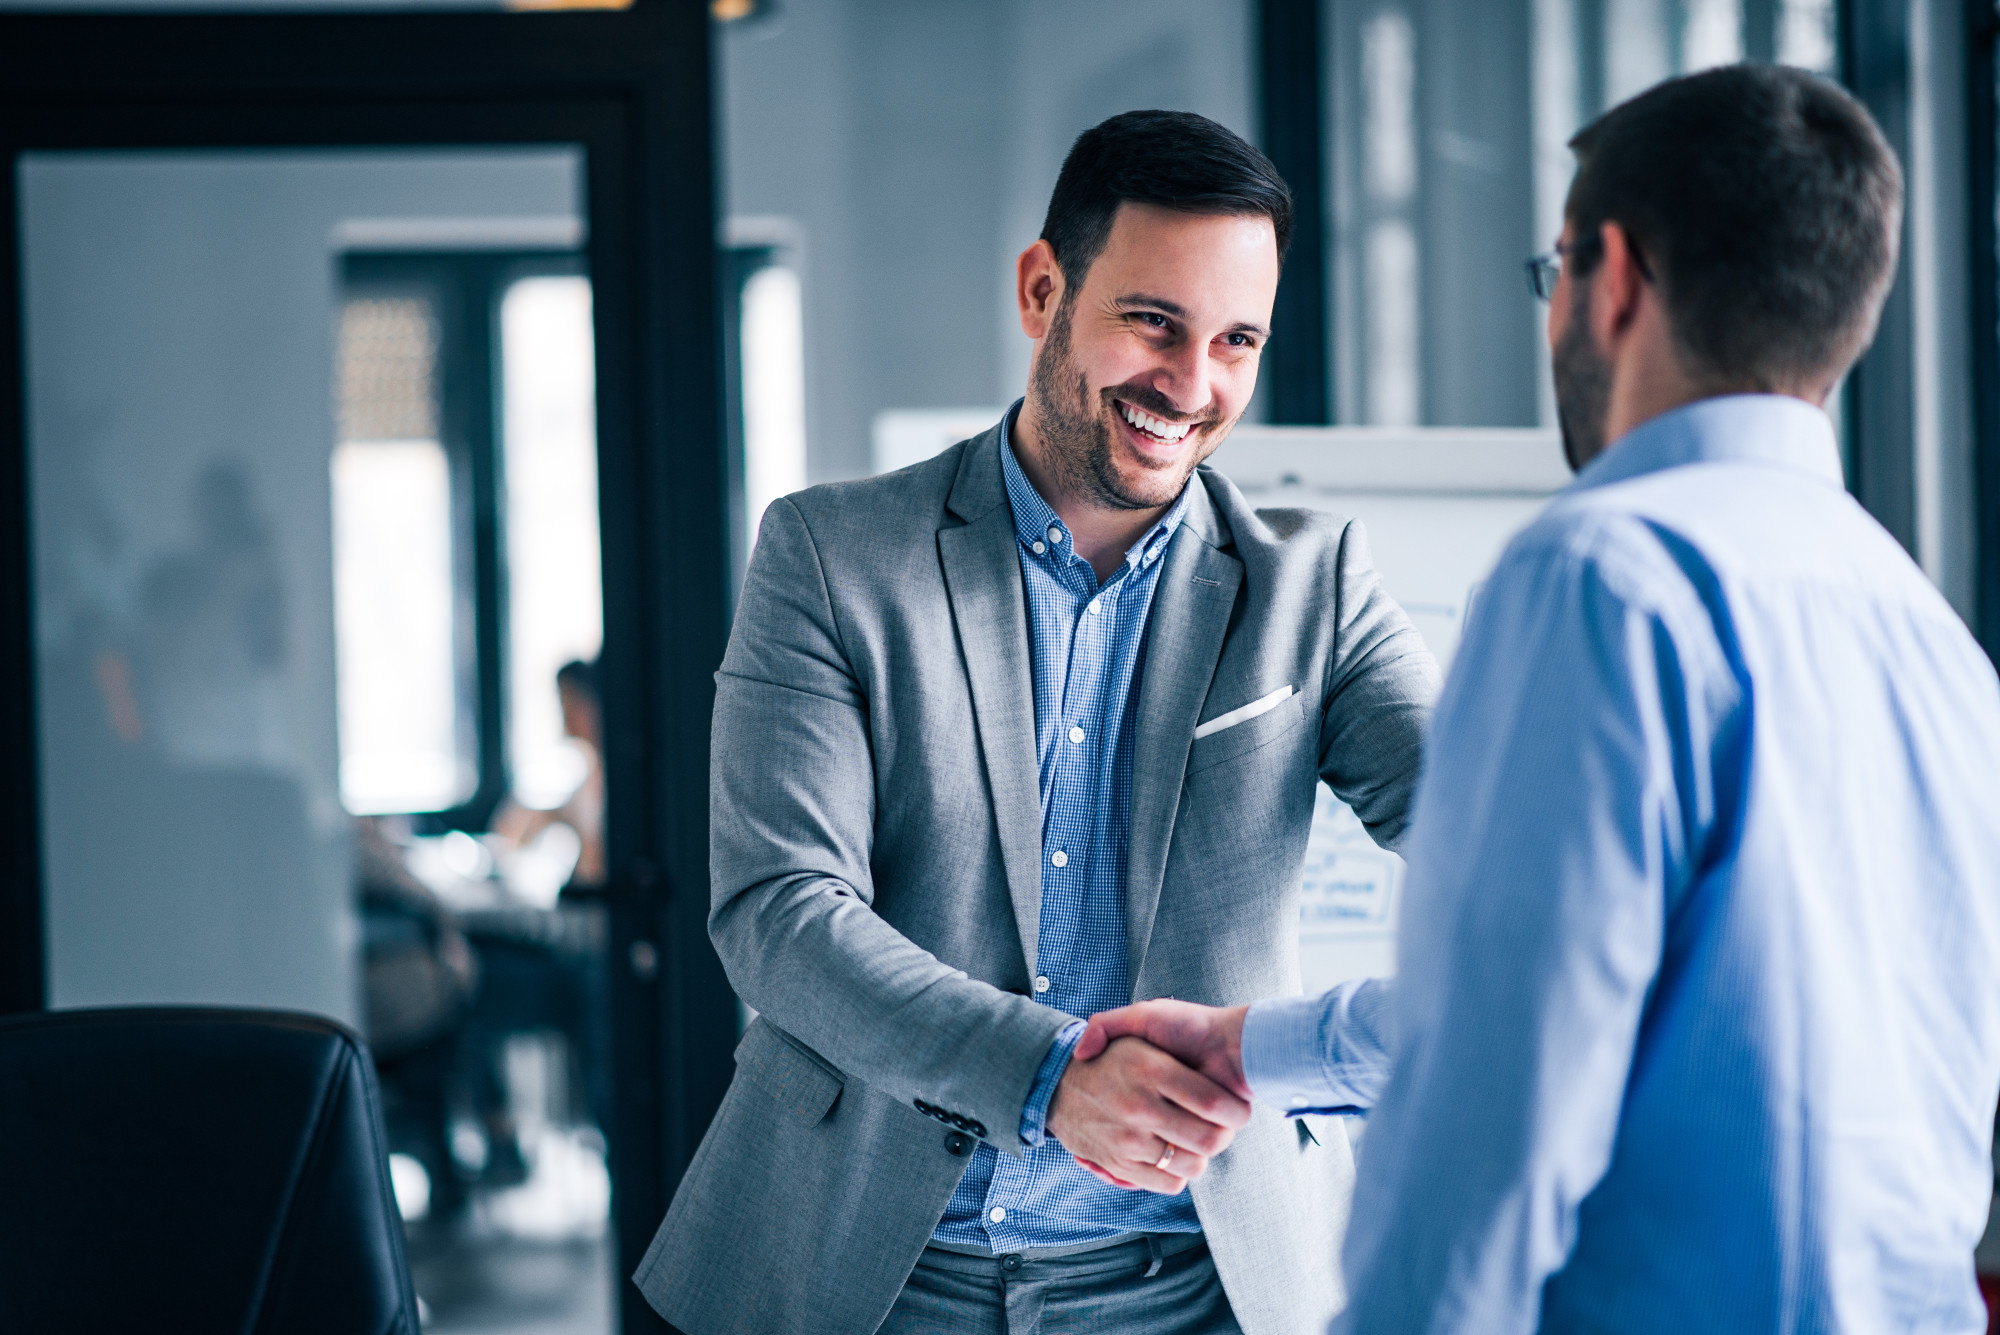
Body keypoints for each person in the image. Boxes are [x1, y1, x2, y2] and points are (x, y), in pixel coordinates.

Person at [1081, 64, 2000, 1334]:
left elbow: (1496, 1090)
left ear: (1609, 276)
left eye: (1552, 271)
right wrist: (1256, 1049)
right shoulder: (1930, 639)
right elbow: (1611, 1003)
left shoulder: (1602, 576)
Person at [633, 110, 1439, 1335]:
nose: (1191, 384)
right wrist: (1049, 1078)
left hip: (1202, 1288)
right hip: (875, 1272)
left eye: (1236, 340)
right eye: (1152, 322)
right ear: (1040, 289)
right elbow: (779, 914)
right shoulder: (830, 556)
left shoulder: (1310, 589)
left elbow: (1504, 849)